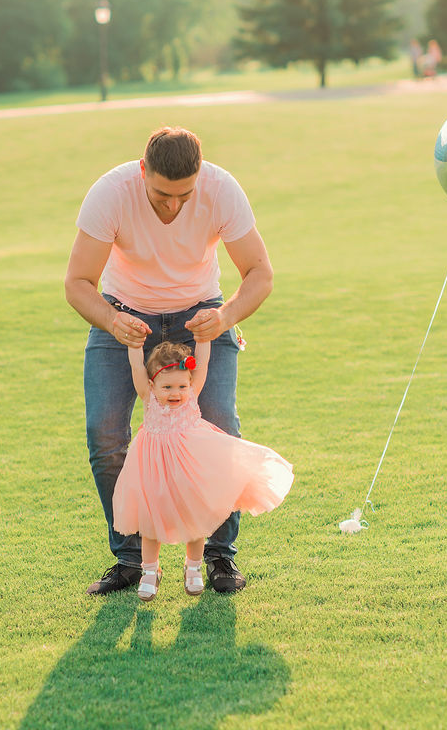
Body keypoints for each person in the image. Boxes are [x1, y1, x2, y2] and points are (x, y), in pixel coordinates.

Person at [64, 125, 275, 595]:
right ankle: (132, 560)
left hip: (200, 316)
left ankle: (218, 558)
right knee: (105, 432)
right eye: (162, 194)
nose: (174, 205)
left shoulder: (221, 191)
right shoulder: (111, 194)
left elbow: (259, 273)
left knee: (220, 427)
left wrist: (224, 317)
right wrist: (111, 321)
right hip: (124, 317)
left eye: (185, 194)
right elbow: (77, 282)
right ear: (143, 172)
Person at [113, 339, 293, 601]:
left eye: (182, 386)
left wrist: (203, 338)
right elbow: (136, 367)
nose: (176, 393)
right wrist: (134, 345)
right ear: (152, 385)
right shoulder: (149, 398)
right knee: (150, 523)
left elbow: (204, 363)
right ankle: (150, 571)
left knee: (195, 521)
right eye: (167, 387)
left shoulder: (191, 396)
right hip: (154, 471)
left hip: (190, 470)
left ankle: (193, 566)